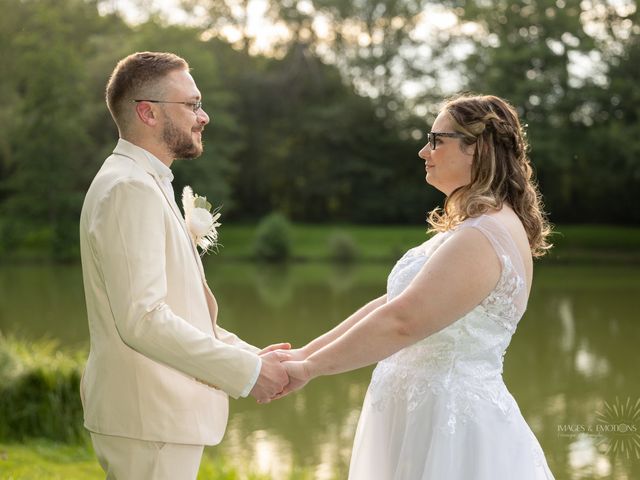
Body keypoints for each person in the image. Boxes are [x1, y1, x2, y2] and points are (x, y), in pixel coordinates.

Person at [274, 94, 555, 479]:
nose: (425, 151)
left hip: (450, 426)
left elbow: (403, 321)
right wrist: (303, 353)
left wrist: (309, 369)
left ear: (479, 148)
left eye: (437, 139)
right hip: (420, 413)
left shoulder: (484, 234)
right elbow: (391, 303)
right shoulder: (472, 228)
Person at [79, 52, 289, 479]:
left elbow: (178, 307)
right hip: (149, 417)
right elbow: (143, 320)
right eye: (192, 105)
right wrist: (246, 373)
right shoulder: (128, 188)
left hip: (155, 419)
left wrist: (248, 354)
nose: (204, 116)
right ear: (147, 112)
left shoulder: (145, 182)